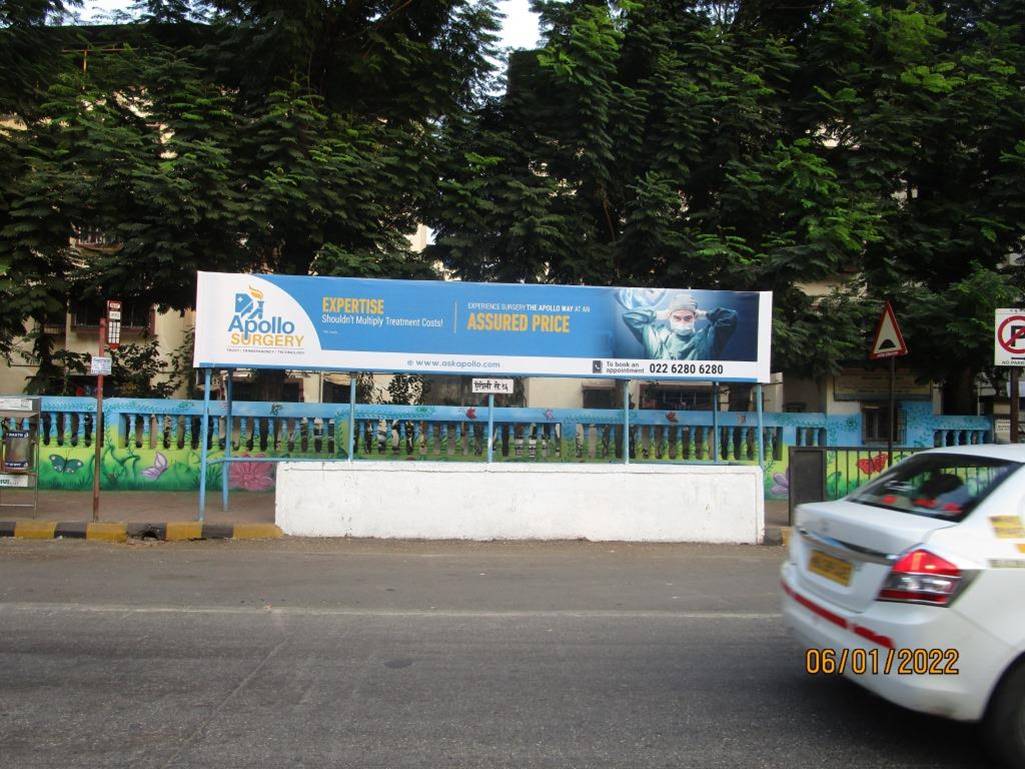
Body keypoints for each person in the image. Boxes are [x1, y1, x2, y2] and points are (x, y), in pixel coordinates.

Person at [621, 293, 737, 361]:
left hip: (700, 385)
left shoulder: (709, 339)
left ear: (695, 318)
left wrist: (705, 314)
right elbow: (629, 317)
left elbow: (730, 317)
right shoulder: (654, 337)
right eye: (677, 318)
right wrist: (657, 314)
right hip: (658, 386)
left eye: (687, 318)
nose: (682, 322)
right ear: (669, 317)